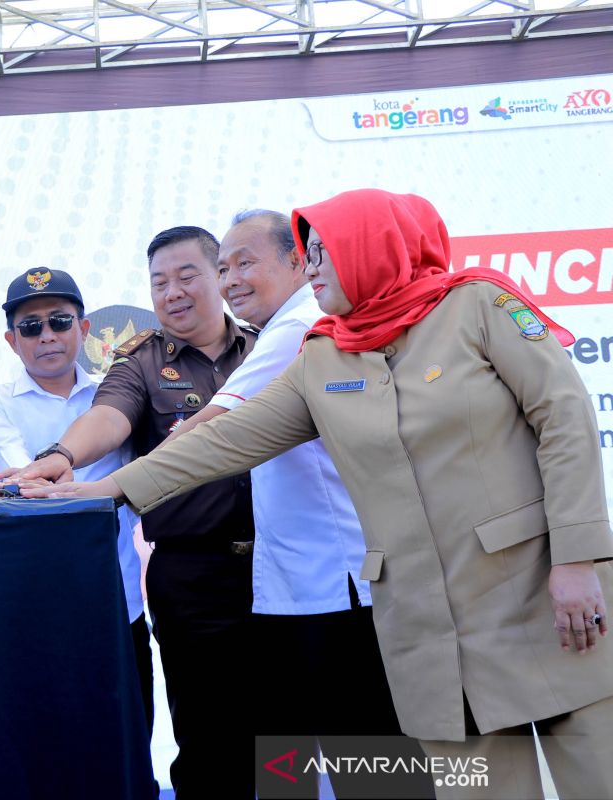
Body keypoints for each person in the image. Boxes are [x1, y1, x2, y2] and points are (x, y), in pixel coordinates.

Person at [29, 189, 613, 800]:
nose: (312, 271)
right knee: (478, 787)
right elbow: (225, 441)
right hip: (423, 625)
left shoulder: (478, 307)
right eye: (309, 256)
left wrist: (577, 558)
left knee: (594, 772)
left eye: (323, 254)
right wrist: (105, 489)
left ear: (371, 247)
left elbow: (566, 422)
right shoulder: (323, 351)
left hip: (535, 594)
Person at [172, 210, 426, 797]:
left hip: (335, 590)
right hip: (303, 589)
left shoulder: (298, 329)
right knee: (304, 766)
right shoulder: (287, 329)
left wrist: (95, 485)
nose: (230, 279)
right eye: (224, 267)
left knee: (369, 759)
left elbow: (208, 433)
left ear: (296, 261)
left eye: (244, 263)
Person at [18, 227, 257, 798]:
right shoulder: (141, 364)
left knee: (287, 732)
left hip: (285, 566)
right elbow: (109, 418)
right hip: (194, 577)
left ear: (220, 276)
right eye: (158, 283)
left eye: (186, 276)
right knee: (208, 739)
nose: (171, 292)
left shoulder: (267, 346)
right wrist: (61, 455)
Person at [0, 267, 153, 737]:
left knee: (130, 737)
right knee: (45, 744)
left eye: (60, 321)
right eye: (31, 327)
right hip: (33, 605)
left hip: (119, 600)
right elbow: (22, 488)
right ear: (12, 341)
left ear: (84, 329)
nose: (47, 335)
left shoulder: (120, 395)